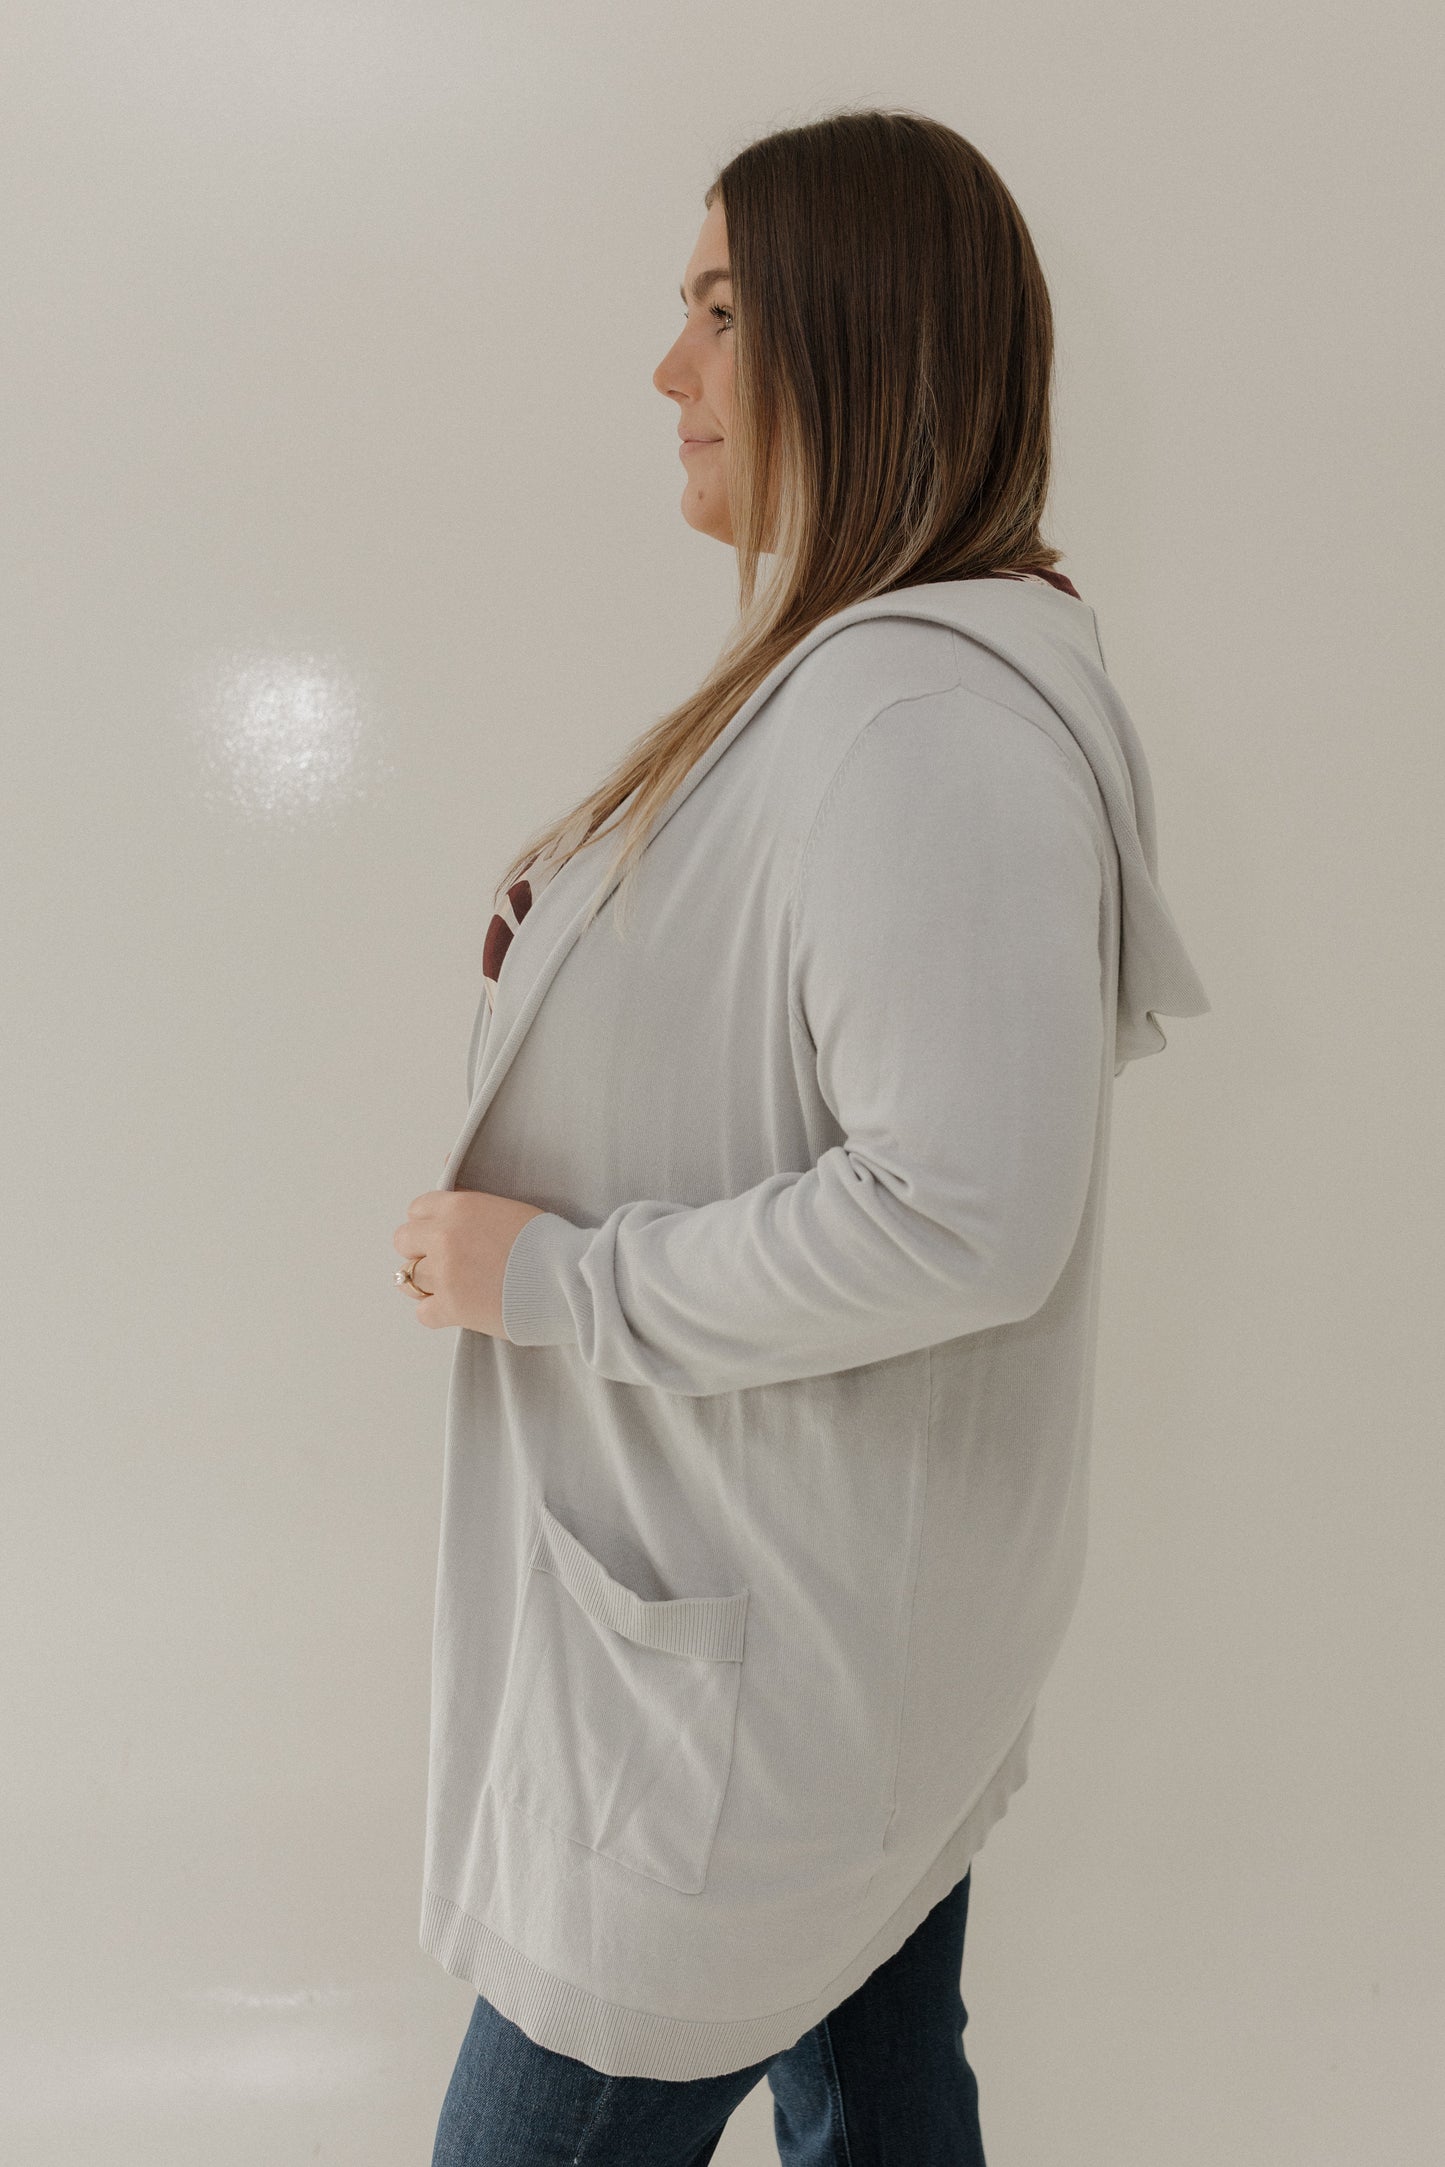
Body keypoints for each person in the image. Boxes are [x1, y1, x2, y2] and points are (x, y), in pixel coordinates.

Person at [394, 107, 1210, 2166]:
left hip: (750, 1680)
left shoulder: (919, 720)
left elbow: (961, 1213)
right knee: (882, 2089)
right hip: (801, 1625)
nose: (669, 367)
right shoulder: (867, 680)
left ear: (859, 334)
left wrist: (544, 1274)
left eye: (720, 307)